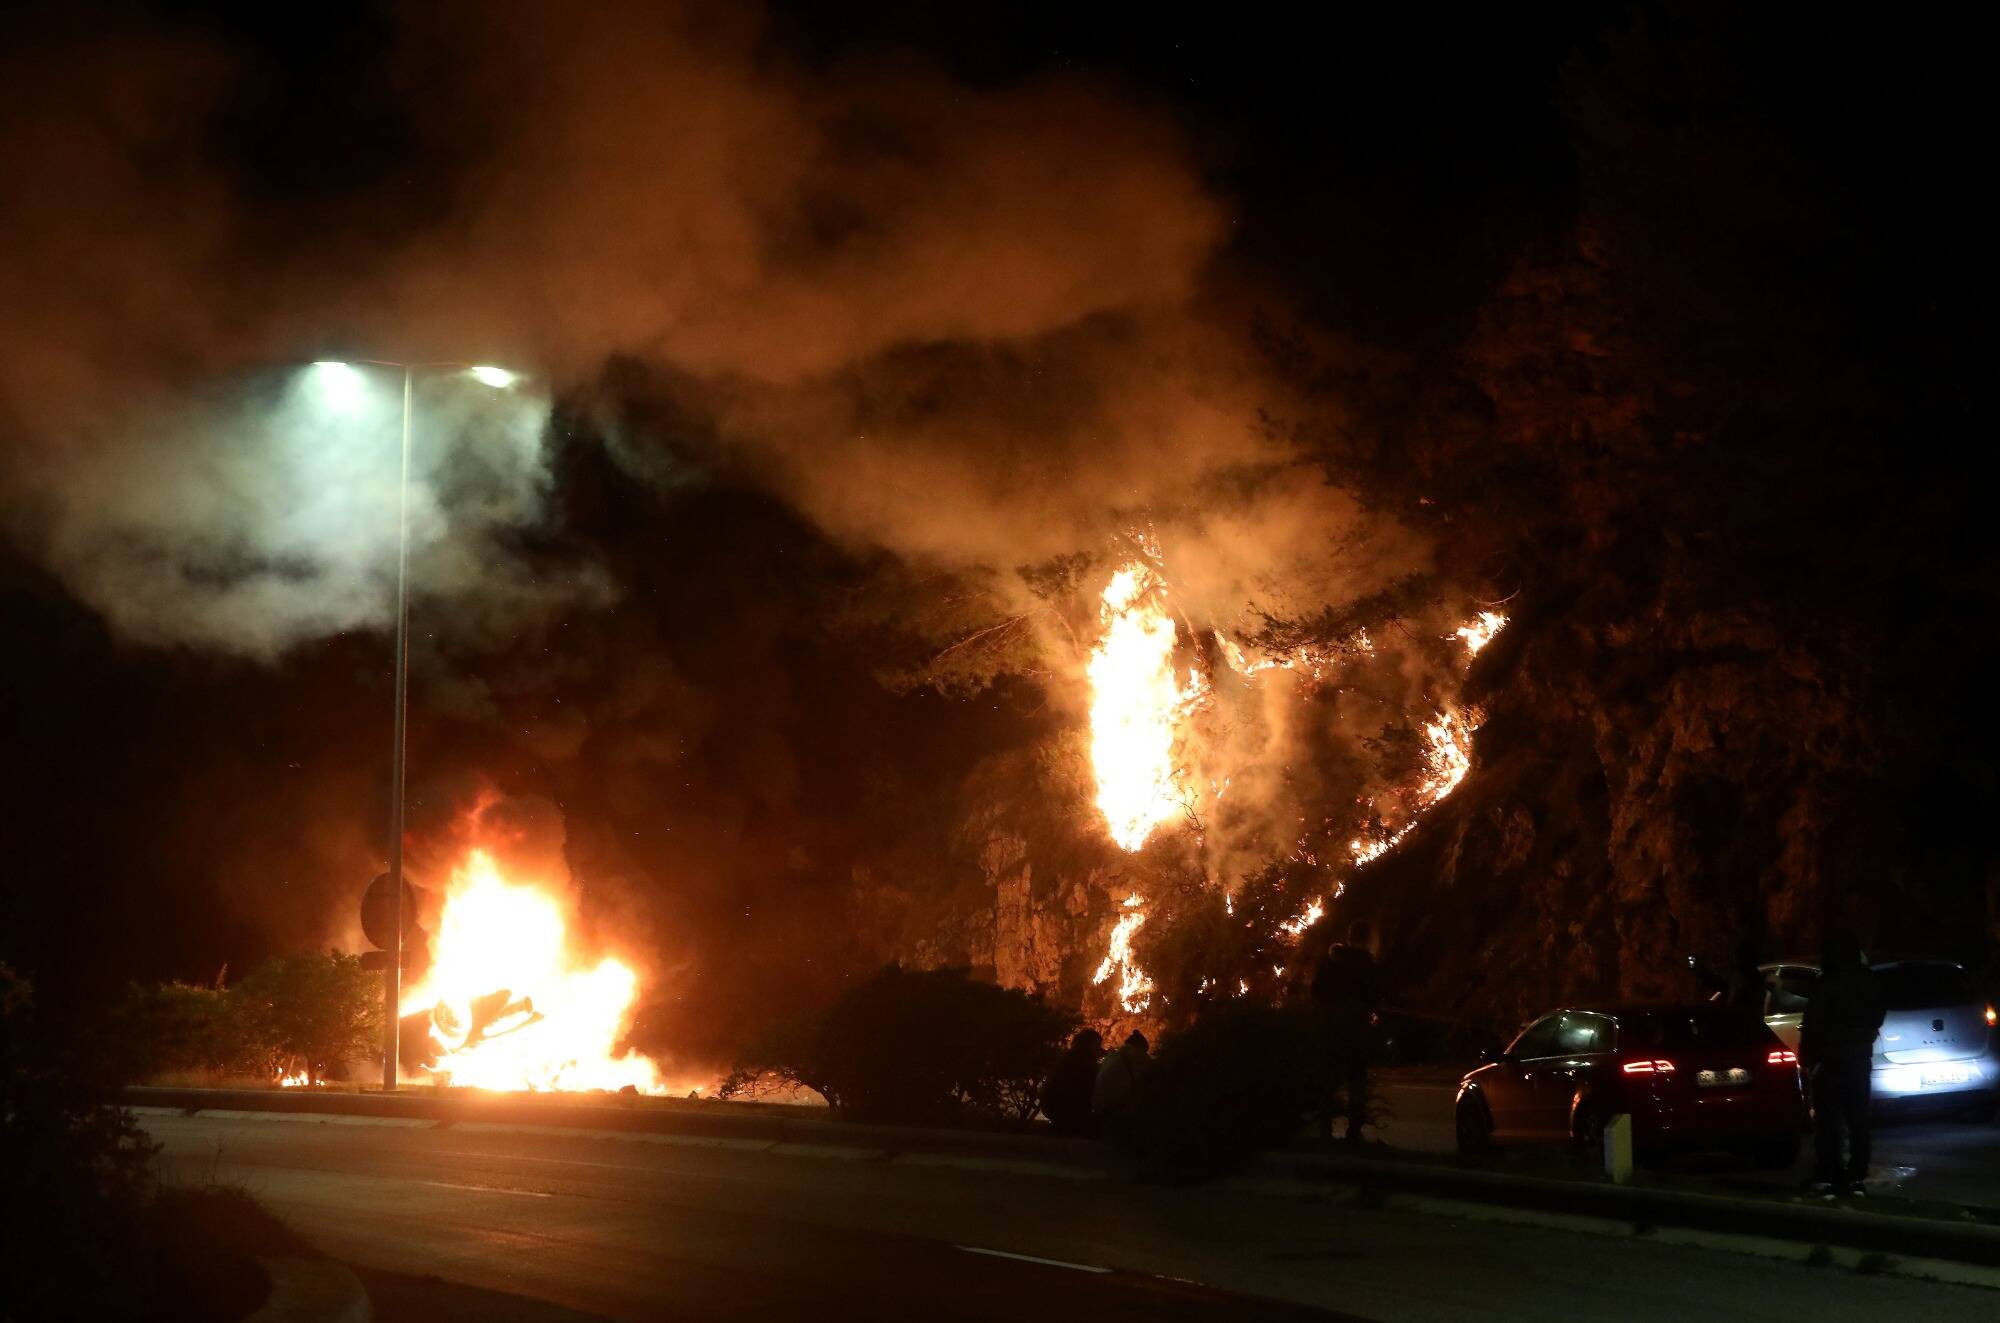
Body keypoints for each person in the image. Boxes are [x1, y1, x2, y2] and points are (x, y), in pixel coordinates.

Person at [1799, 929, 1885, 1196]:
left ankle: (1829, 1173)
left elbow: (1814, 1024)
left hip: (1831, 1060)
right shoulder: (1868, 980)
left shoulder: (1829, 983)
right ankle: (1857, 1172)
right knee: (1858, 1118)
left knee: (1828, 1121)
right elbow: (1877, 1014)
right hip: (1859, 1058)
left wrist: (1810, 1058)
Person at [1311, 942, 1378, 1142]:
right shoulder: (1360, 969)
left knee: (1332, 1085)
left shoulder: (1328, 971)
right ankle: (1352, 1130)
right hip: (1350, 1037)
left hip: (1336, 1036)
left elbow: (1316, 995)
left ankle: (1329, 1130)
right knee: (1352, 1085)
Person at [1039, 1029, 1103, 1137]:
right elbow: (1091, 1089)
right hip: (1066, 1110)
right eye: (1097, 1045)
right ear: (1090, 1044)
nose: (1099, 1049)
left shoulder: (1069, 1057)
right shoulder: (1084, 1062)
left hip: (1052, 1107)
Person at [1092, 1031, 1149, 1123]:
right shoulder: (1138, 1056)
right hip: (1118, 1108)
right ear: (1141, 1047)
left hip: (1100, 1105)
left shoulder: (1113, 1056)